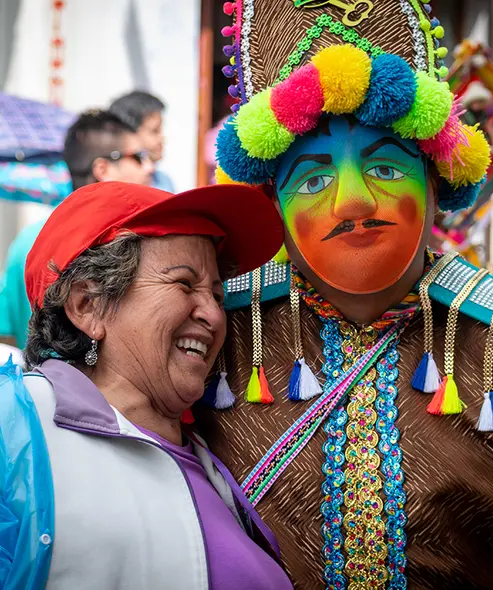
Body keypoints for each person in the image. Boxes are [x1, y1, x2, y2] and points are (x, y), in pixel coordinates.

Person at [194, 3, 493, 588]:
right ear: (275, 209)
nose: (352, 202)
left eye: (386, 168)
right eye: (313, 180)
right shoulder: (216, 335)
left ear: (436, 182)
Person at [0, 181, 291, 589]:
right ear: (89, 306)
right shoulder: (15, 427)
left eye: (217, 295)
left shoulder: (211, 462)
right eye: (184, 284)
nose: (214, 315)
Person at [0, 110, 153, 349]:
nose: (149, 167)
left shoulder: (26, 240)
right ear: (103, 169)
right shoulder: (115, 243)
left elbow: (6, 335)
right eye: (138, 157)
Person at [109, 90, 173, 191]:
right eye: (154, 131)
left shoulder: (163, 182)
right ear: (129, 134)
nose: (162, 138)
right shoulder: (114, 184)